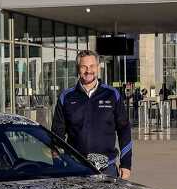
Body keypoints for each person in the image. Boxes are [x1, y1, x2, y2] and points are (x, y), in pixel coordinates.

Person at [51, 50, 132, 179]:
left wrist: (126, 164)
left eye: (92, 66)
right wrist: (58, 163)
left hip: (107, 169)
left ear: (98, 68)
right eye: (84, 67)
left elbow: (124, 130)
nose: (88, 71)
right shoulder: (66, 97)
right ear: (78, 69)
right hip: (76, 168)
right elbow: (57, 134)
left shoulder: (112, 95)